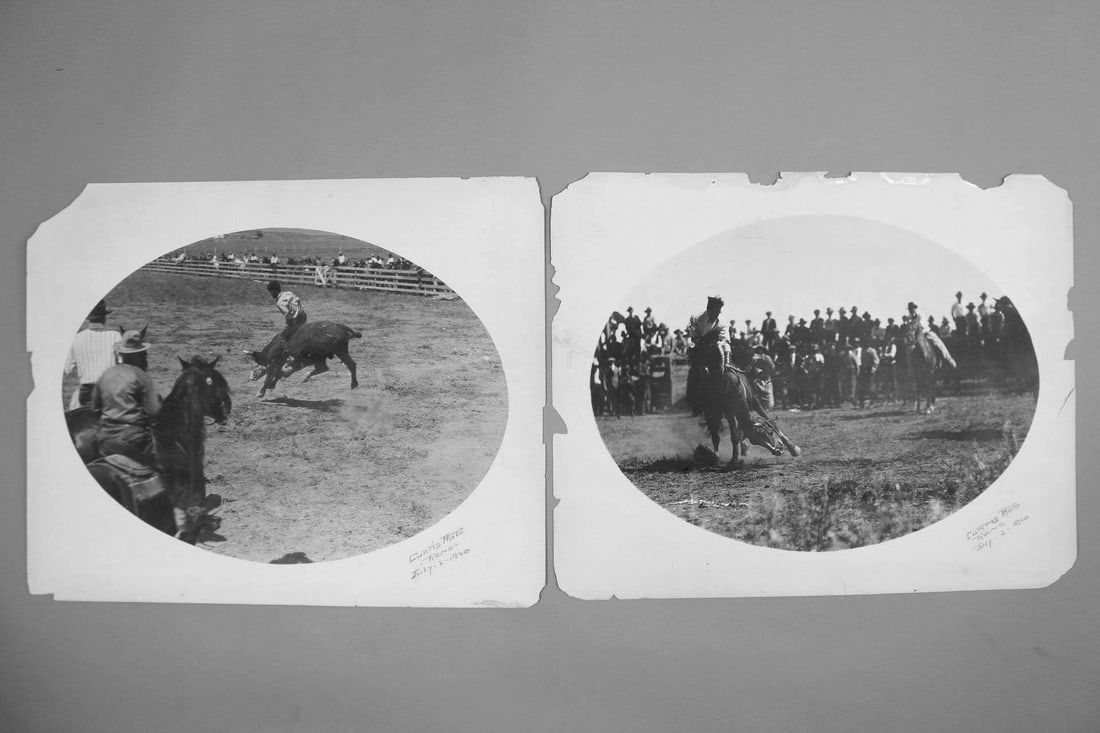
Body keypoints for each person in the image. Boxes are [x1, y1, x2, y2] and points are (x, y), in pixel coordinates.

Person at [91, 328, 161, 468]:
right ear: (141, 355)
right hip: (134, 439)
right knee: (163, 461)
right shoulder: (141, 377)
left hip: (105, 439)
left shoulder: (106, 374)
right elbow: (153, 411)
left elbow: (95, 407)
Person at [65, 300, 122, 409]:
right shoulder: (115, 336)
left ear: (88, 319)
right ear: (104, 318)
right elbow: (122, 362)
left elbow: (66, 369)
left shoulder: (76, 338)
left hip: (85, 394)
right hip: (108, 392)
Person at [905, 301, 957, 368]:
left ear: (914, 308)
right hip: (915, 336)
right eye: (909, 309)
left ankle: (949, 359)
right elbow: (909, 326)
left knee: (938, 344)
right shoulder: (909, 317)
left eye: (912, 308)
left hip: (926, 332)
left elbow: (922, 325)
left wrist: (915, 326)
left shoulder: (920, 314)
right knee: (909, 350)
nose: (911, 310)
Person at [267, 280, 307, 346]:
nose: (271, 294)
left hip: (296, 320)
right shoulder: (288, 293)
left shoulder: (280, 303)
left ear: (275, 290)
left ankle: (286, 353)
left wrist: (288, 323)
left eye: (271, 292)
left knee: (281, 337)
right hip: (303, 315)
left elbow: (289, 317)